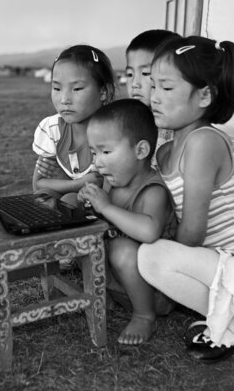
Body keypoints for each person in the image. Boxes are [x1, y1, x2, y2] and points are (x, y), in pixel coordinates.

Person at [137, 35, 234, 362]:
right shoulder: (167, 148)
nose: (154, 97)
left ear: (204, 95)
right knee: (151, 251)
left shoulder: (203, 142)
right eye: (153, 86)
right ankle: (222, 306)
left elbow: (193, 229)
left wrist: (163, 246)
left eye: (166, 87)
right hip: (222, 262)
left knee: (151, 257)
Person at [78, 98, 174, 345]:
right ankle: (102, 292)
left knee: (121, 249)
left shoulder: (152, 190)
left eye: (106, 152)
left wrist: (106, 207)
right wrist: (92, 204)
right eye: (94, 153)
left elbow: (150, 231)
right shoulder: (114, 179)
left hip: (153, 292)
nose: (98, 162)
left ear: (140, 151)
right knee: (71, 204)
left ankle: (144, 316)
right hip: (119, 282)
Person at [32, 44, 116, 204]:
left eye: (76, 89)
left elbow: (107, 193)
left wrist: (63, 185)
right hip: (71, 197)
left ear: (103, 92)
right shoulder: (51, 128)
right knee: (42, 199)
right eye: (56, 88)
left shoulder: (114, 133)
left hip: (103, 208)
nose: (64, 100)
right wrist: (76, 183)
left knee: (70, 200)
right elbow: (39, 184)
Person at [125, 29, 181, 162]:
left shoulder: (175, 128)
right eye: (129, 74)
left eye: (145, 73)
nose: (134, 84)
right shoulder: (125, 121)